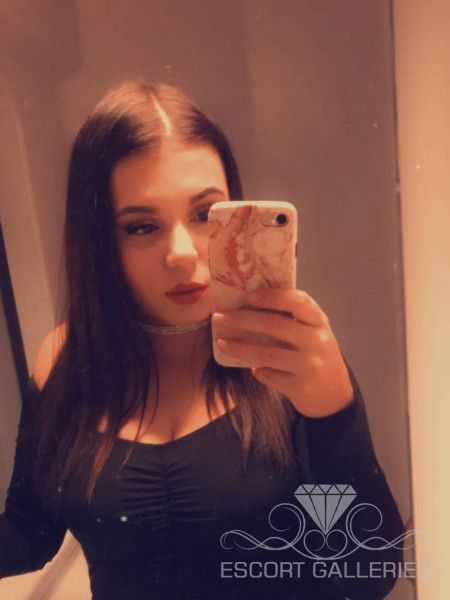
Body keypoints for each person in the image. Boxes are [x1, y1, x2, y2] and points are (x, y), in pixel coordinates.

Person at [0, 81, 404, 599]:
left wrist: (335, 413)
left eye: (202, 215)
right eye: (141, 227)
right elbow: (28, 534)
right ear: (99, 241)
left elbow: (366, 574)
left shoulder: (289, 356)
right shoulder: (64, 361)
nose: (182, 253)